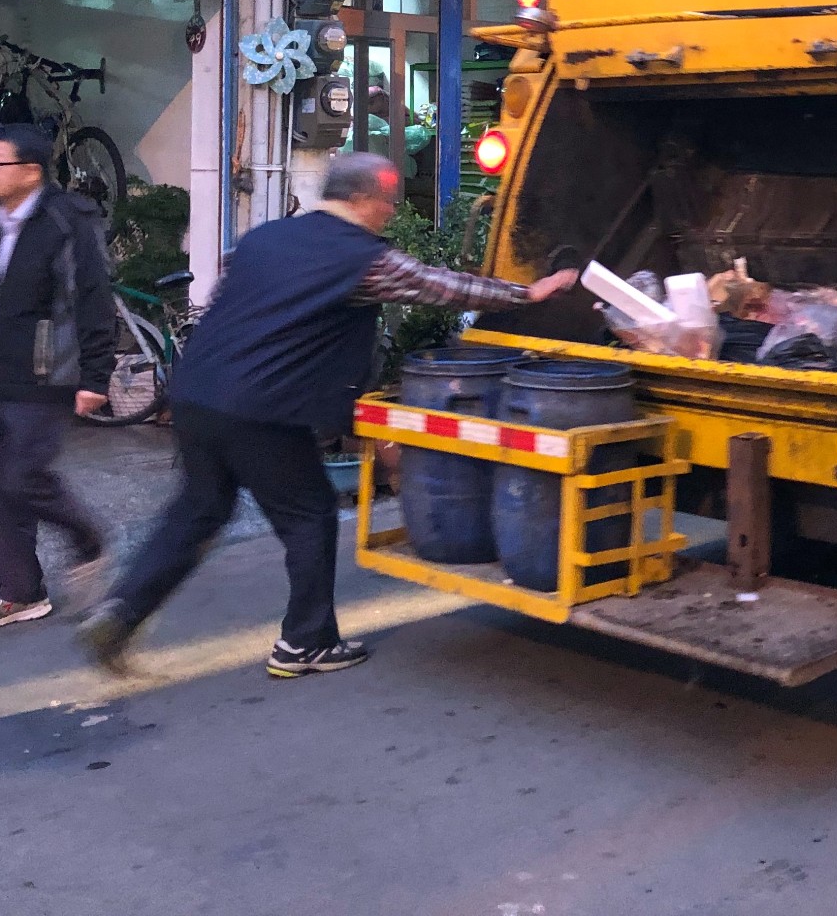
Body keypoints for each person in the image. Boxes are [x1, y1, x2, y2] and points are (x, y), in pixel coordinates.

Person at [80, 152, 578, 678]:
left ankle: (122, 610)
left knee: (198, 509)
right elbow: (439, 287)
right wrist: (528, 291)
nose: (391, 210)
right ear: (364, 198)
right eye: (388, 200)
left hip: (196, 394)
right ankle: (306, 642)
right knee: (310, 514)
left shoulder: (265, 238)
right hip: (261, 408)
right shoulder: (362, 259)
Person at [0, 123, 117, 632]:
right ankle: (19, 592)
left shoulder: (65, 224)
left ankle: (90, 540)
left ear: (31, 171)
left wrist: (95, 376)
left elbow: (92, 300)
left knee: (23, 477)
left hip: (44, 376)